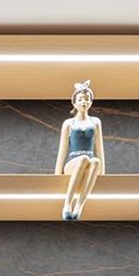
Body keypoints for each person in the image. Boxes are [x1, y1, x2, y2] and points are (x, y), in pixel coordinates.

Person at [53, 79, 105, 221]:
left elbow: (99, 148)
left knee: (95, 161)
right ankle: (67, 204)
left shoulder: (95, 122)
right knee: (84, 159)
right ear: (74, 103)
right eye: (81, 99)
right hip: (72, 163)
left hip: (89, 164)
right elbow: (62, 150)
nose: (84, 102)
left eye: (87, 99)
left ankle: (79, 206)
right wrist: (57, 175)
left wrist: (103, 173)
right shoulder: (69, 123)